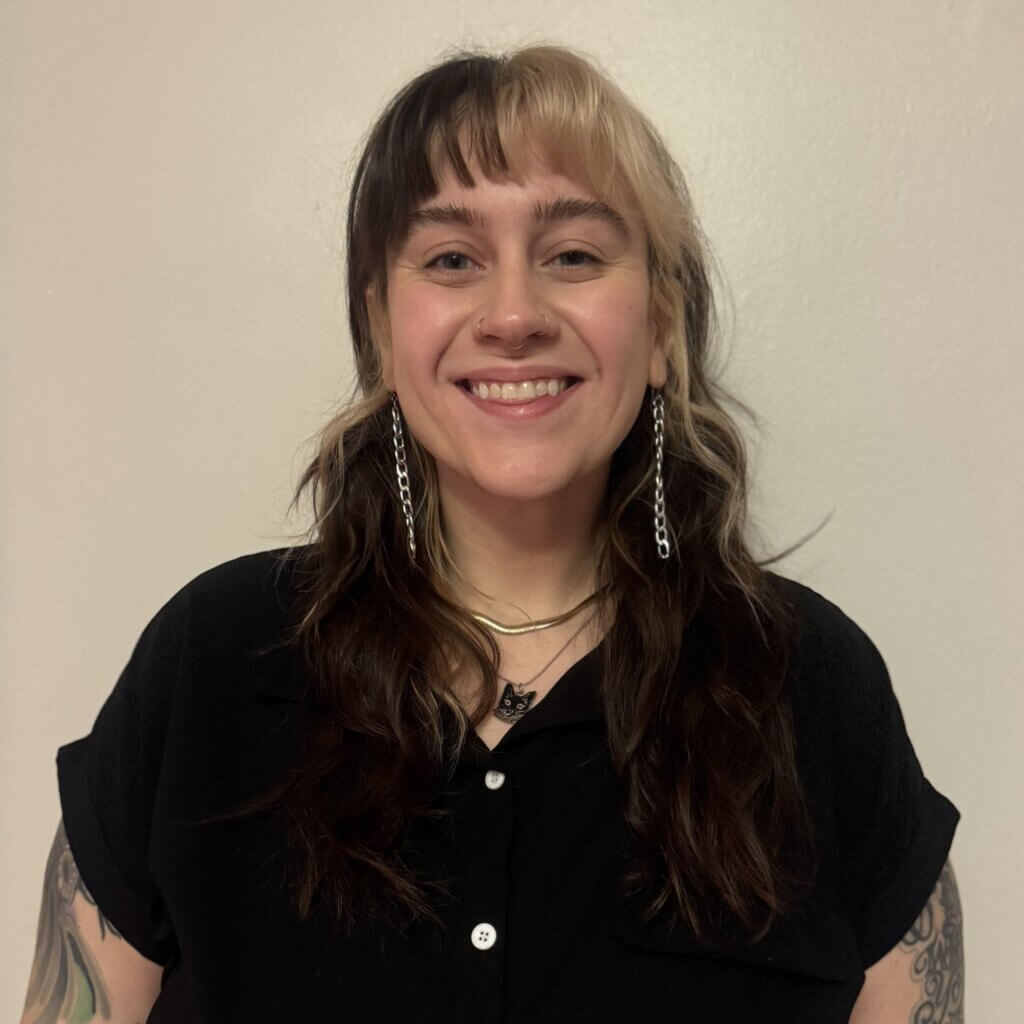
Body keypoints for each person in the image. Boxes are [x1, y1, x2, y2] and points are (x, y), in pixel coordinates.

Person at [20, 45, 962, 1023]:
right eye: (452, 259)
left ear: (662, 333)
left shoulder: (810, 685)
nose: (513, 313)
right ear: (382, 332)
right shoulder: (209, 665)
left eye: (574, 256)